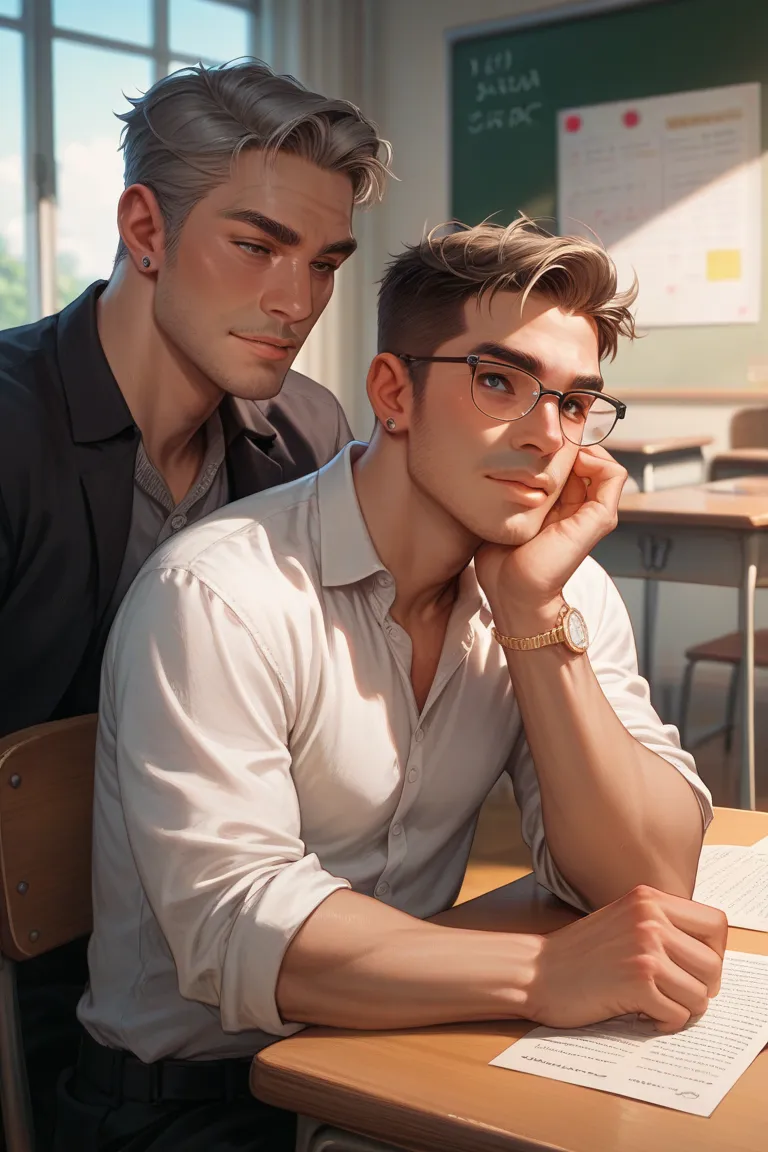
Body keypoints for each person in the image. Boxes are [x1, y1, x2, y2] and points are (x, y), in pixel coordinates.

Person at [58, 218, 726, 1151]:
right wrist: (540, 973)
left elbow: (647, 883)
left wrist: (536, 622)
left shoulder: (553, 582)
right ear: (391, 392)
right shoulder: (217, 592)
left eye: (576, 405)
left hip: (394, 1049)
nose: (547, 437)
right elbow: (235, 926)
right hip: (191, 1101)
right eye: (500, 381)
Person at [0, 58, 389, 1148]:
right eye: (258, 246)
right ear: (145, 228)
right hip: (63, 1020)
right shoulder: (10, 430)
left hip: (267, 972)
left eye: (323, 263)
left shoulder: (307, 429)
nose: (298, 301)